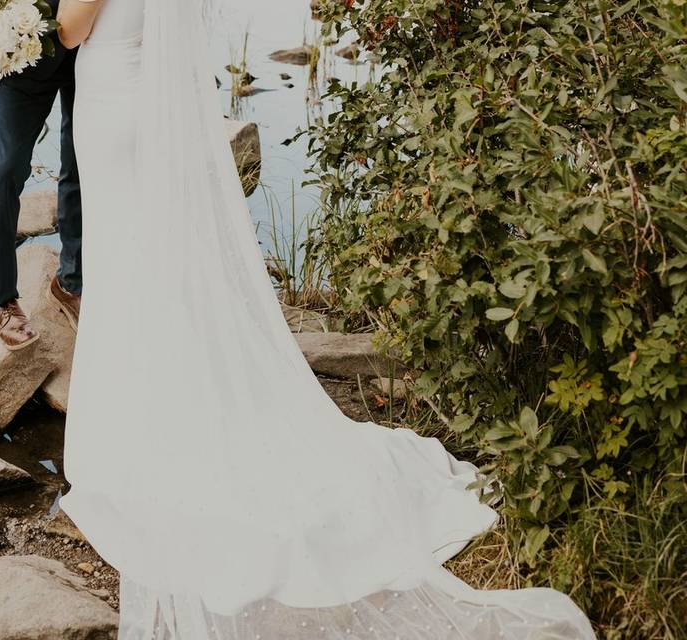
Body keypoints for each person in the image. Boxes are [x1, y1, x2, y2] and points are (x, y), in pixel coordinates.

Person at [55, 0, 597, 638]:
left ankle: (136, 427)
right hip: (148, 111)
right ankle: (180, 397)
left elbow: (69, 26)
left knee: (126, 266)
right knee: (157, 270)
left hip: (112, 108)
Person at [0, 0, 83, 351]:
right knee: (7, 167)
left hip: (90, 54)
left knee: (80, 167)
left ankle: (71, 282)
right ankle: (2, 301)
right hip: (25, 58)